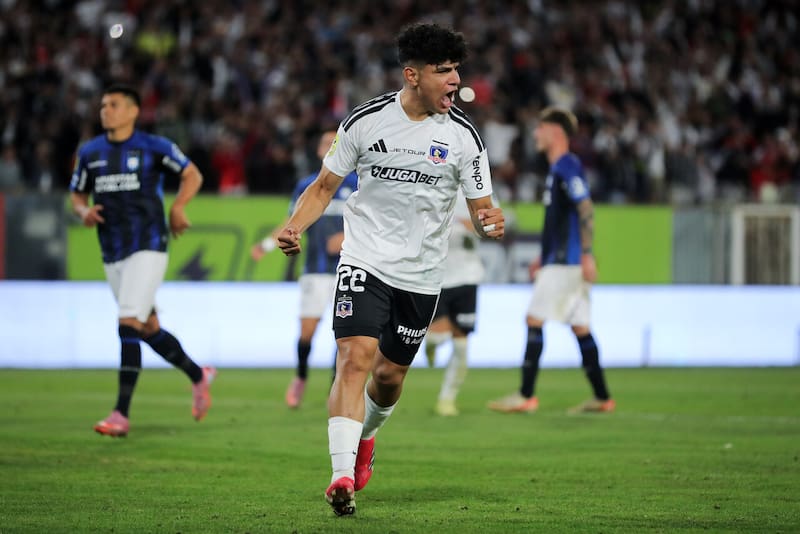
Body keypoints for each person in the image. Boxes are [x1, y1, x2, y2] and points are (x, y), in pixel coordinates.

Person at [276, 22, 505, 516]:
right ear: (412, 75)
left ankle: (366, 438)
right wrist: (294, 226)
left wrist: (491, 222)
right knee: (353, 357)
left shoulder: (464, 137)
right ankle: (341, 476)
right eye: (443, 70)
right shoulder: (366, 121)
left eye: (456, 70)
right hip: (364, 258)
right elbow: (323, 187)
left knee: (388, 376)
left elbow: (482, 208)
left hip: (422, 274)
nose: (454, 80)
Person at [69, 84, 216, 438]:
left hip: (149, 244)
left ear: (133, 111)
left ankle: (121, 413)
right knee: (147, 328)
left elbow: (192, 174)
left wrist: (178, 207)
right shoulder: (90, 152)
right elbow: (77, 193)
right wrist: (83, 212)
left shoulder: (154, 146)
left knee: (128, 323)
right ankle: (199, 375)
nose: (106, 110)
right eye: (103, 105)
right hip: (112, 249)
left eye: (113, 104)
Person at [487, 107, 614, 415]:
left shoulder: (566, 165)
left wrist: (586, 254)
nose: (535, 134)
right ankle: (602, 397)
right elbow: (561, 221)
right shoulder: (558, 168)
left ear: (555, 132)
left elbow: (586, 208)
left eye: (540, 128)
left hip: (565, 262)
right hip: (558, 260)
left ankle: (526, 395)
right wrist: (542, 258)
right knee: (580, 326)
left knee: (534, 320)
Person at [251, 130, 358, 408]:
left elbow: (374, 223)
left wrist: (347, 237)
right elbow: (291, 222)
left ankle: (336, 388)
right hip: (315, 270)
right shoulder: (307, 185)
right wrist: (266, 244)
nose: (330, 146)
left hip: (349, 271)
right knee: (307, 333)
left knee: (344, 334)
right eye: (326, 143)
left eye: (335, 142)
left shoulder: (359, 183)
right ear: (320, 151)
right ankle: (300, 376)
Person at [424, 189, 486, 416]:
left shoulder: (477, 188)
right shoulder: (430, 184)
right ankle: (430, 345)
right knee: (438, 336)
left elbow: (490, 225)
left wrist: (470, 223)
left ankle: (446, 399)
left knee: (461, 346)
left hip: (467, 277)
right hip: (435, 275)